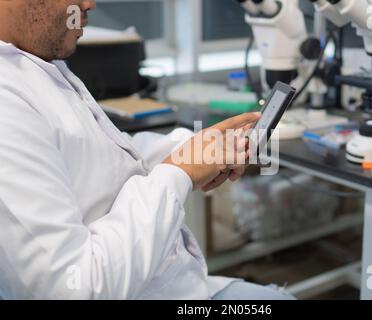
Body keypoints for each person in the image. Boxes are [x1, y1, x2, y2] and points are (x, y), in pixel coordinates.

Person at [0, 0, 294, 300]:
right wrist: (179, 173)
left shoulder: (36, 61)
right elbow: (73, 289)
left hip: (174, 283)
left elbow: (101, 159)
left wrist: (193, 149)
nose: (90, 4)